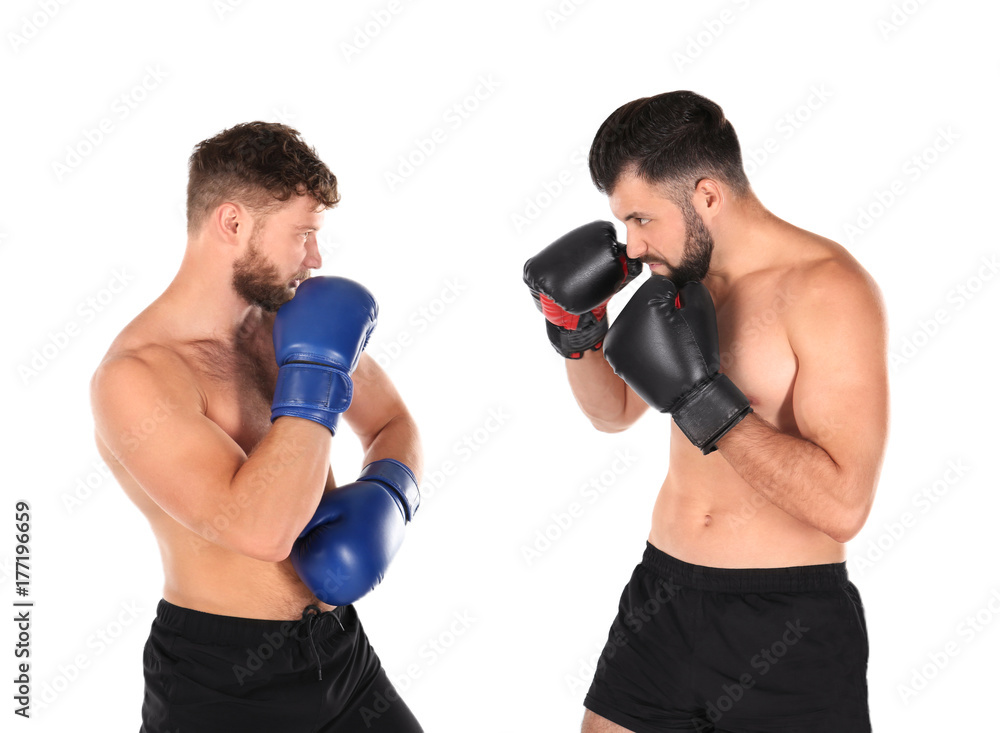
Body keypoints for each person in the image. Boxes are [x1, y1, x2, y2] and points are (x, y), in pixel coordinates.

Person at [524, 91, 887, 732]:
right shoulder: (681, 284)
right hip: (661, 596)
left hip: (787, 623)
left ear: (708, 196)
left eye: (641, 218)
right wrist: (576, 332)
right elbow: (612, 414)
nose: (630, 248)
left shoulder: (828, 289)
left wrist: (703, 404)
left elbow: (843, 506)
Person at [90, 122, 424, 732]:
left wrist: (389, 497)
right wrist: (318, 383)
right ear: (233, 223)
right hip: (222, 685)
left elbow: (393, 421)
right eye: (303, 234)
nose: (316, 259)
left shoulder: (285, 326)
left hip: (341, 657)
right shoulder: (137, 377)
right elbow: (261, 531)